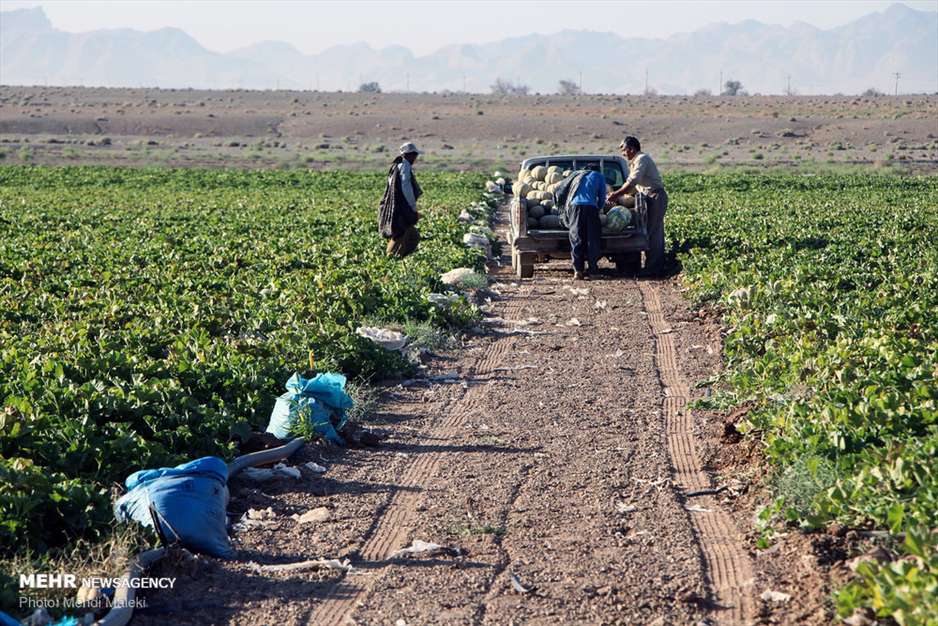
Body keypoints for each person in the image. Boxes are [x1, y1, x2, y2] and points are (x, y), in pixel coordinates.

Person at [608, 136, 668, 276]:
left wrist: (616, 195)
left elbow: (632, 182)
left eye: (623, 150)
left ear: (631, 149)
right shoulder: (635, 161)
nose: (623, 153)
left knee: (653, 234)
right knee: (651, 231)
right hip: (649, 197)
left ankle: (653, 269)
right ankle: (652, 267)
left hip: (655, 196)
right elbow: (634, 185)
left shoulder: (642, 159)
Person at [378, 142, 423, 258]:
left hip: (396, 208)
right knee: (404, 235)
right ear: (409, 155)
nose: (415, 158)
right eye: (414, 155)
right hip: (401, 209)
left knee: (409, 235)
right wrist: (412, 208)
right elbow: (406, 187)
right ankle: (392, 259)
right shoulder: (404, 166)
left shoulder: (396, 166)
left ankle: (396, 257)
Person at [565, 164, 606, 280]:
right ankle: (593, 270)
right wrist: (599, 207)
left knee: (576, 237)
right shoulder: (599, 176)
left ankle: (578, 271)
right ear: (597, 169)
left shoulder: (577, 175)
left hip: (574, 207)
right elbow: (602, 196)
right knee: (592, 239)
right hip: (591, 208)